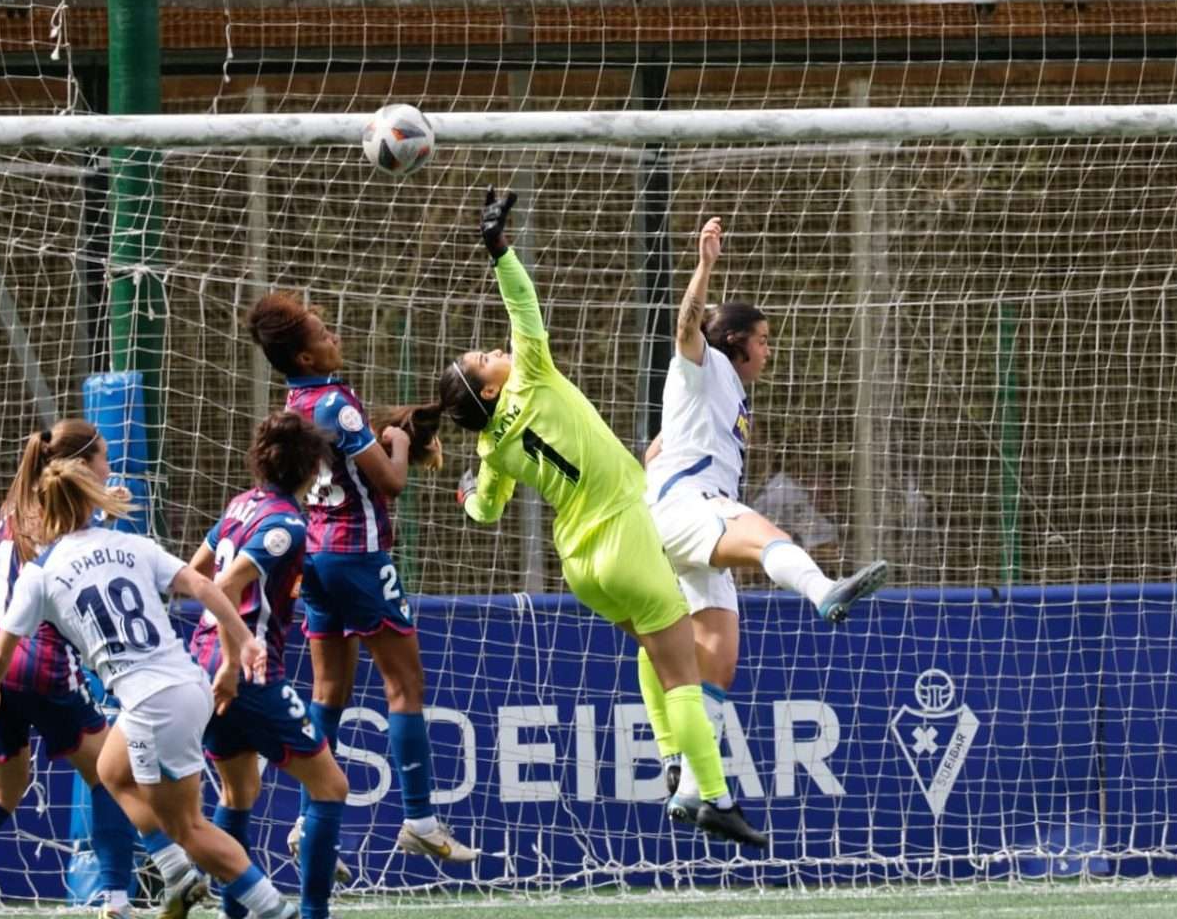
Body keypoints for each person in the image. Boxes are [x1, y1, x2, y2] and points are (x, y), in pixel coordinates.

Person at [438, 188, 767, 849]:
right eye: (484, 358)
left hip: (580, 561)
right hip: (623, 532)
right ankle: (714, 794)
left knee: (654, 648)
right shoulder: (531, 374)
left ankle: (677, 761)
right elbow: (522, 304)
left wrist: (466, 499)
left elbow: (485, 511)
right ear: (494, 384)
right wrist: (499, 248)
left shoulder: (490, 447)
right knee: (682, 673)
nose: (493, 350)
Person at [0, 453, 298, 919]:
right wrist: (243, 642)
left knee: (189, 828)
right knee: (110, 769)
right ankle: (177, 872)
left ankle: (274, 910)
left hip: (150, 704)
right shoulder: (133, 545)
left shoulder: (40, 573)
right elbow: (204, 587)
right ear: (90, 502)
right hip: (187, 683)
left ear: (44, 511)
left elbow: (1, 650)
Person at [642, 215, 888, 821]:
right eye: (764, 338)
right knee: (767, 535)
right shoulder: (702, 364)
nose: (769, 349)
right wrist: (705, 265)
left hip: (686, 517)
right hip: (687, 509)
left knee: (718, 655)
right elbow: (683, 328)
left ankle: (687, 781)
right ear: (734, 341)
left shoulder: (724, 393)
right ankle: (824, 590)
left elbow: (655, 449)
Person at [0, 421, 204, 919]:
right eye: (103, 457)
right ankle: (120, 896)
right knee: (108, 775)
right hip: (40, 659)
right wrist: (105, 505)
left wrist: (102, 499)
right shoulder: (70, 516)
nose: (109, 464)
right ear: (83, 467)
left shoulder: (14, 511)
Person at [246, 291, 477, 864]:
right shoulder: (338, 403)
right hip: (359, 557)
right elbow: (390, 482)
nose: (334, 338)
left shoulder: (295, 402)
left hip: (315, 556)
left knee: (329, 692)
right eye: (323, 334)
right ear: (304, 356)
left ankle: (305, 823)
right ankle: (421, 819)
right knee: (406, 686)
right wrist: (397, 443)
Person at [187, 412, 349, 919]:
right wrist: (233, 662)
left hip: (200, 660)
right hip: (246, 674)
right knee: (330, 788)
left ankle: (233, 913)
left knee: (239, 791)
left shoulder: (241, 504)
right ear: (312, 469)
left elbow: (193, 574)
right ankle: (314, 914)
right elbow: (227, 585)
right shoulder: (286, 523)